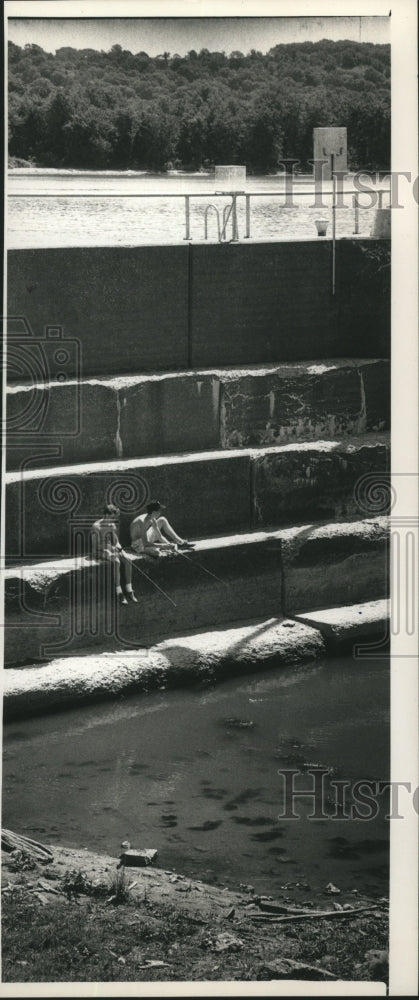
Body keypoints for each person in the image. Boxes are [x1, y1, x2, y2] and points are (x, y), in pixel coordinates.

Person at [91, 503, 137, 605]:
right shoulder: (96, 527)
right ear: (106, 515)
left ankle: (129, 589)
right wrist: (109, 548)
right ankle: (119, 592)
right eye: (112, 517)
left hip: (110, 549)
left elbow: (116, 541)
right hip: (99, 551)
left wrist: (119, 548)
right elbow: (95, 547)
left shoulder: (112, 526)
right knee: (116, 561)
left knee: (127, 559)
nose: (113, 520)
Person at [129, 500, 194, 559]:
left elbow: (159, 536)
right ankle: (158, 549)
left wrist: (170, 545)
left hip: (146, 538)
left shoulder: (152, 518)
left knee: (162, 519)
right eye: (159, 511)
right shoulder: (141, 521)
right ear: (154, 512)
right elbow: (145, 543)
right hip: (137, 544)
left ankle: (180, 542)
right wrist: (164, 546)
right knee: (156, 552)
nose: (160, 513)